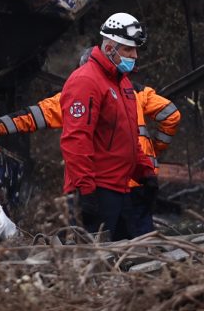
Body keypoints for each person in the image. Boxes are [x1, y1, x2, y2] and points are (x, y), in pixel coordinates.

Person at [0, 48, 181, 235]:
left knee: (96, 244)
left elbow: (32, 117)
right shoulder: (134, 91)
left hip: (100, 187)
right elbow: (171, 114)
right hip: (139, 181)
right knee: (139, 243)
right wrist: (155, 151)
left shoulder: (77, 95)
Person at [58, 13, 156, 240]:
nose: (134, 56)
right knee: (94, 263)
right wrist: (86, 190)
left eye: (135, 50)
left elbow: (129, 134)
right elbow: (75, 139)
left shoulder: (122, 83)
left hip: (121, 189)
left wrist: (145, 172)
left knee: (127, 261)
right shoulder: (86, 81)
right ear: (110, 47)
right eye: (128, 50)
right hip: (97, 191)